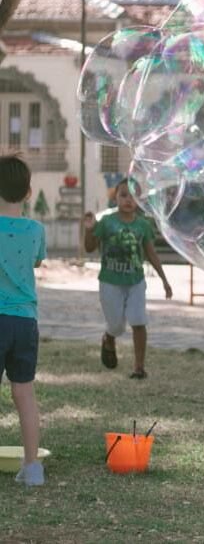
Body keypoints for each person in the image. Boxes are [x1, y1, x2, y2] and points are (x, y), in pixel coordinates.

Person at [83, 179, 173, 379]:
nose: (128, 199)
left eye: (133, 195)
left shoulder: (143, 225)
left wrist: (164, 279)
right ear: (115, 198)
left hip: (136, 282)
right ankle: (109, 337)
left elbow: (151, 253)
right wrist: (89, 229)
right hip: (110, 282)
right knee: (116, 326)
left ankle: (139, 367)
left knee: (139, 321)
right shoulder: (106, 222)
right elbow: (90, 248)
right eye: (124, 194)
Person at [0, 155, 47, 487]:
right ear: (29, 193)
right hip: (24, 322)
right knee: (25, 394)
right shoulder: (36, 229)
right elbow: (38, 261)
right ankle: (32, 469)